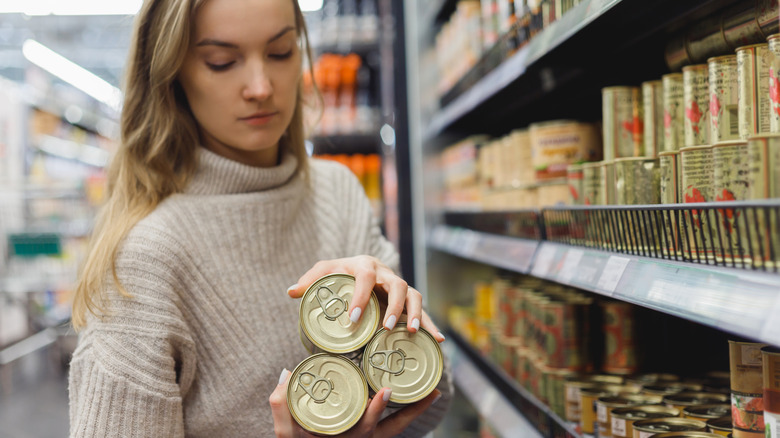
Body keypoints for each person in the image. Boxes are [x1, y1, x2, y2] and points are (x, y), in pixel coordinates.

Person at [67, 0, 452, 436]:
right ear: (171, 74)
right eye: (222, 61)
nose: (261, 86)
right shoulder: (143, 260)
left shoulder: (337, 192)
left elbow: (433, 405)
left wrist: (398, 324)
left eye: (281, 52)